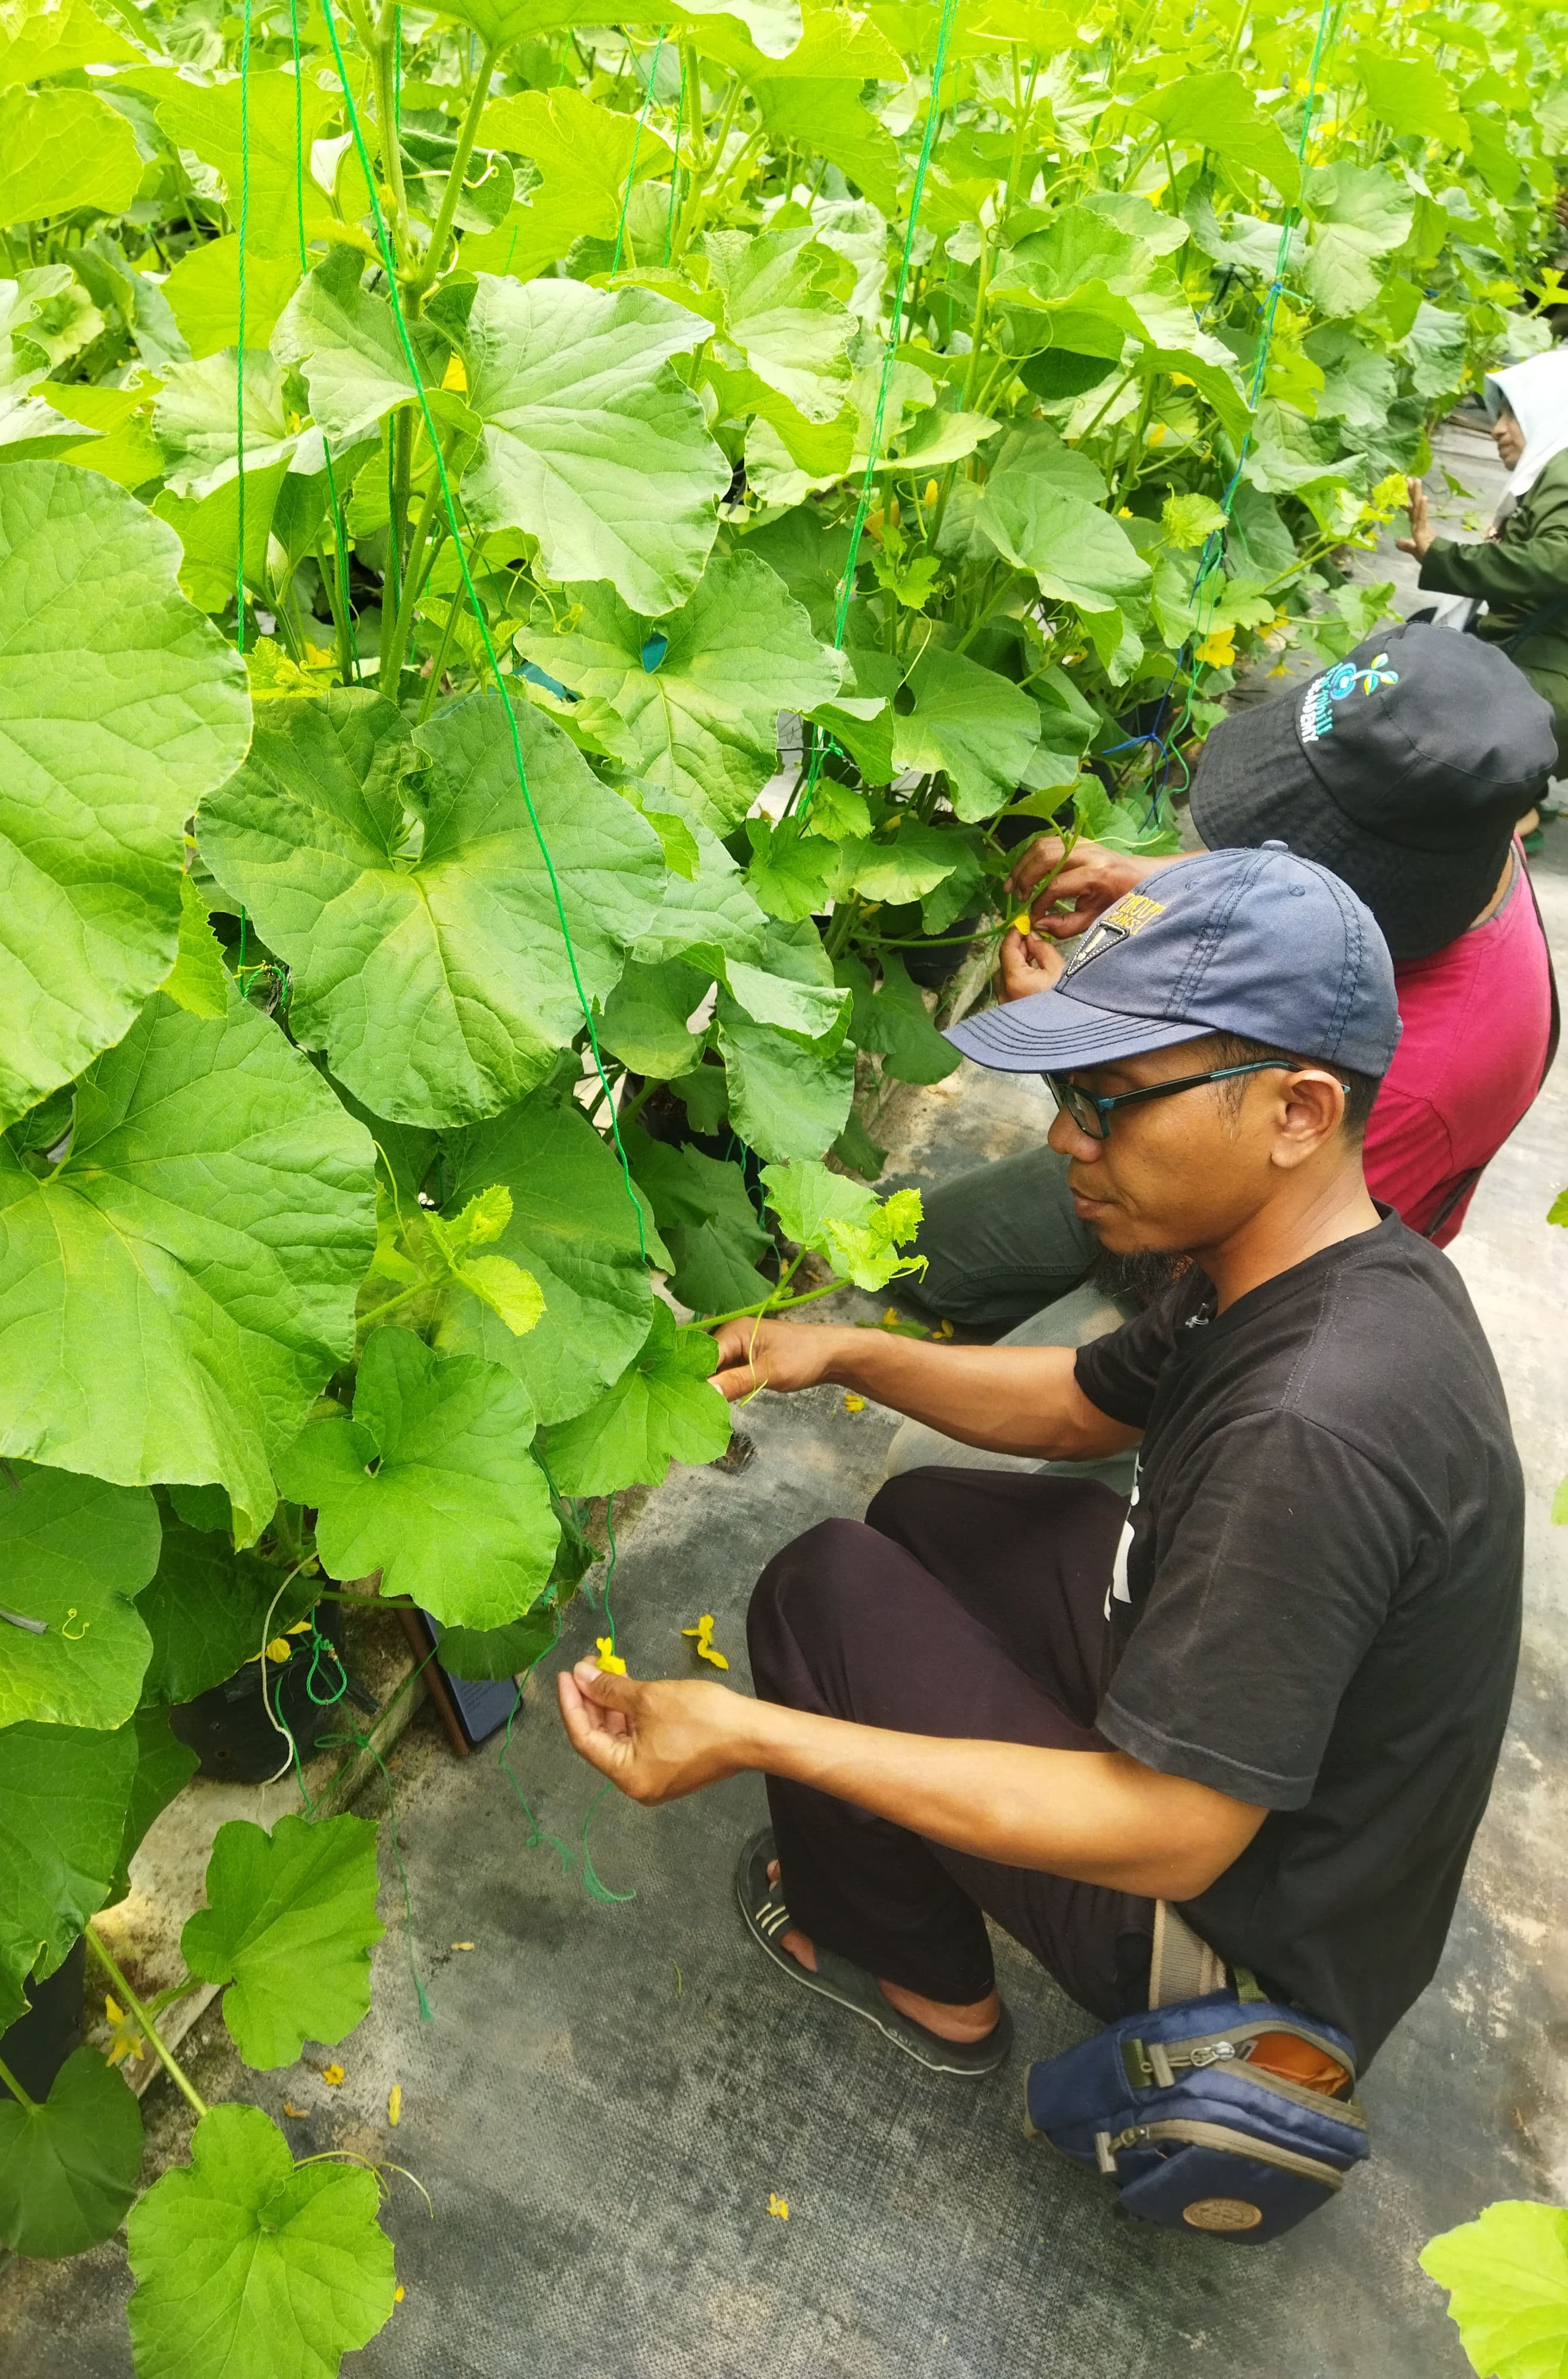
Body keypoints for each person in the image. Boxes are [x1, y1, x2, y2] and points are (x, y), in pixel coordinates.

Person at [557, 846, 1524, 2083]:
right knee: (922, 1512)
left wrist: (754, 1732)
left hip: (1235, 1957)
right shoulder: (1311, 1267)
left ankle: (938, 1993)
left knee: (822, 1590)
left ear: (1298, 1110)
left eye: (1110, 1100)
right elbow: (1079, 1406)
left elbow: (1171, 1834)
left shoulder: (1309, 1428)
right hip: (1302, 1824)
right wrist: (841, 1351)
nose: (1067, 1137)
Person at [905, 623, 1557, 1359]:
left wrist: (1079, 1037)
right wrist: (1140, 878)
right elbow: (1303, 875)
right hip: (1188, 1112)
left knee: (948, 1462)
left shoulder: (1427, 1081)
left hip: (1254, 1257)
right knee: (921, 1253)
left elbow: (1252, 1278)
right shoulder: (1450, 812)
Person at [1400, 347, 1568, 752]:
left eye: (1513, 415)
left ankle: (1510, 797)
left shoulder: (1565, 470)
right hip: (1540, 654)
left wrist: (1444, 556)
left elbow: (1558, 561)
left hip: (1551, 674)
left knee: (1421, 680)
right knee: (1423, 636)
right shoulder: (1551, 471)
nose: (1496, 429)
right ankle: (1514, 786)